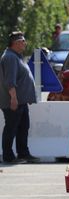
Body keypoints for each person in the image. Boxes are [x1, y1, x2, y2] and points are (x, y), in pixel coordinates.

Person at [0, 31, 40, 163]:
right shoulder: (10, 57)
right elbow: (9, 81)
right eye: (22, 41)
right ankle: (8, 156)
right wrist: (13, 98)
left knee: (23, 127)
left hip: (20, 101)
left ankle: (23, 153)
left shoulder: (16, 56)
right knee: (11, 127)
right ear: (15, 43)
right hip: (13, 101)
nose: (25, 43)